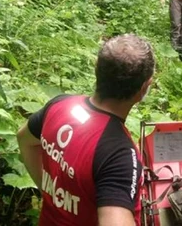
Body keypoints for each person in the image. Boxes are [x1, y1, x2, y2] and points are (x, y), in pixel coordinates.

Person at [17, 34, 155, 226]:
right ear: (144, 89)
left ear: (96, 67)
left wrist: (49, 191)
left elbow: (24, 139)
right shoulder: (118, 153)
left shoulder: (59, 105)